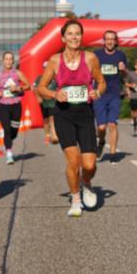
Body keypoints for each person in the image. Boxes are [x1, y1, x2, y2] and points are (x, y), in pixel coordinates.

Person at [36, 18, 106, 217]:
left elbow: (101, 82)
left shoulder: (91, 58)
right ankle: (76, 199)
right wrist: (54, 94)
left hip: (85, 113)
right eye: (70, 34)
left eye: (78, 33)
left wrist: (97, 92)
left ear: (82, 37)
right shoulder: (55, 61)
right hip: (63, 114)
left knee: (89, 165)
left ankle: (87, 183)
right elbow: (40, 87)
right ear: (63, 38)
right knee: (73, 162)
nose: (74, 37)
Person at [93, 30, 128, 161]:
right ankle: (101, 142)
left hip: (114, 93)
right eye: (107, 39)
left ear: (116, 41)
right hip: (100, 93)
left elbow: (126, 76)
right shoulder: (96, 55)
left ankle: (113, 154)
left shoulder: (121, 55)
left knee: (112, 124)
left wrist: (123, 69)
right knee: (101, 127)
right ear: (104, 41)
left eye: (112, 39)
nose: (109, 41)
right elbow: (90, 71)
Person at [0, 51, 31, 165]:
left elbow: (28, 85)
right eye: (6, 59)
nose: (8, 61)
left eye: (10, 59)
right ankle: (9, 153)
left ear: (13, 61)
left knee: (14, 131)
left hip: (16, 105)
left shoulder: (17, 73)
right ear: (3, 61)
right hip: (3, 105)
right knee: (7, 130)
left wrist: (18, 88)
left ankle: (9, 141)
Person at [39, 63, 59, 145]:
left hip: (53, 102)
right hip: (44, 102)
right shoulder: (40, 78)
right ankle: (47, 135)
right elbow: (36, 89)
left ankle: (54, 135)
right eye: (45, 68)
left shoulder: (55, 78)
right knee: (46, 120)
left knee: (52, 118)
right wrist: (38, 98)